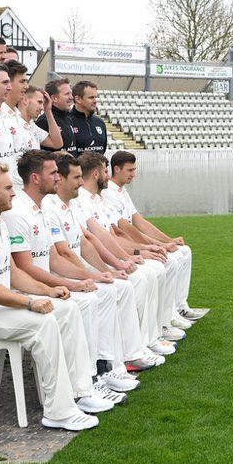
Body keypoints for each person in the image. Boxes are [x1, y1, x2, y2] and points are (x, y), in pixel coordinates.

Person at [0, 161, 110, 430]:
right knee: (45, 323)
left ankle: (80, 392)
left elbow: (13, 274)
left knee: (68, 309)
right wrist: (30, 301)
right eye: (7, 188)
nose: (14, 193)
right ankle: (58, 412)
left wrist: (49, 291)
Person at [0, 151, 131, 399]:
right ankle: (86, 383)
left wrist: (86, 278)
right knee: (86, 301)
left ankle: (102, 369)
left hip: (40, 283)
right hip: (28, 289)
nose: (58, 179)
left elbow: (53, 259)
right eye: (53, 174)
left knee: (101, 292)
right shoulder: (19, 213)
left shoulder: (37, 209)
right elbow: (26, 269)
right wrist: (74, 283)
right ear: (37, 178)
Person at [42, 153, 164, 372]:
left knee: (126, 281)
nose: (81, 182)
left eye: (81, 177)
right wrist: (98, 274)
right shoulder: (52, 207)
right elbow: (64, 254)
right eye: (76, 178)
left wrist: (115, 266)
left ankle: (130, 353)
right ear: (60, 179)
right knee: (115, 288)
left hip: (79, 267)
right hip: (65, 273)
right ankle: (108, 364)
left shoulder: (69, 204)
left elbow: (90, 239)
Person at [75, 152, 183, 350]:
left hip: (110, 256)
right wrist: (132, 256)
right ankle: (136, 344)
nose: (108, 176)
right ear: (97, 174)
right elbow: (96, 239)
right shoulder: (83, 200)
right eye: (105, 171)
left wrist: (143, 249)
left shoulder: (97, 199)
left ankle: (152, 334)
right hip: (97, 261)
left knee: (155, 268)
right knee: (145, 274)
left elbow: (117, 231)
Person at [103, 151, 207, 321]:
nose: (134, 174)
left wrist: (168, 240)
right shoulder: (108, 194)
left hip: (133, 246)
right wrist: (152, 246)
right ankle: (166, 318)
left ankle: (179, 307)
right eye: (130, 170)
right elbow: (126, 229)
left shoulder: (122, 191)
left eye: (134, 170)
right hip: (127, 249)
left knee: (184, 251)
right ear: (116, 169)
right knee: (168, 262)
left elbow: (139, 221)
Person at [35, 78, 75, 153]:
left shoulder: (69, 118)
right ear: (54, 98)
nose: (71, 97)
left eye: (71, 93)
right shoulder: (44, 121)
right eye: (67, 94)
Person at [68, 81, 107, 156]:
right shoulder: (67, 121)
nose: (95, 101)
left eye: (96, 97)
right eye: (91, 97)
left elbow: (103, 150)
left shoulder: (100, 122)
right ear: (78, 99)